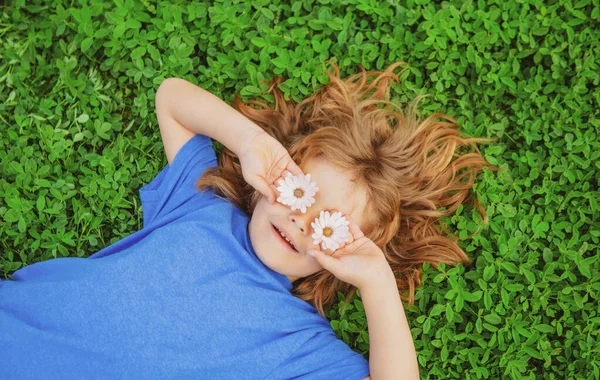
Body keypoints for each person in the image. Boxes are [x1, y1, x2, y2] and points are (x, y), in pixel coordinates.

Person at [0, 60, 499, 379]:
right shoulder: (201, 205)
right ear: (276, 175)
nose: (303, 223)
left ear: (345, 256)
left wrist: (377, 284)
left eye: (331, 225)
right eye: (300, 192)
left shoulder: (301, 343)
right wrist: (249, 142)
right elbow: (172, 98)